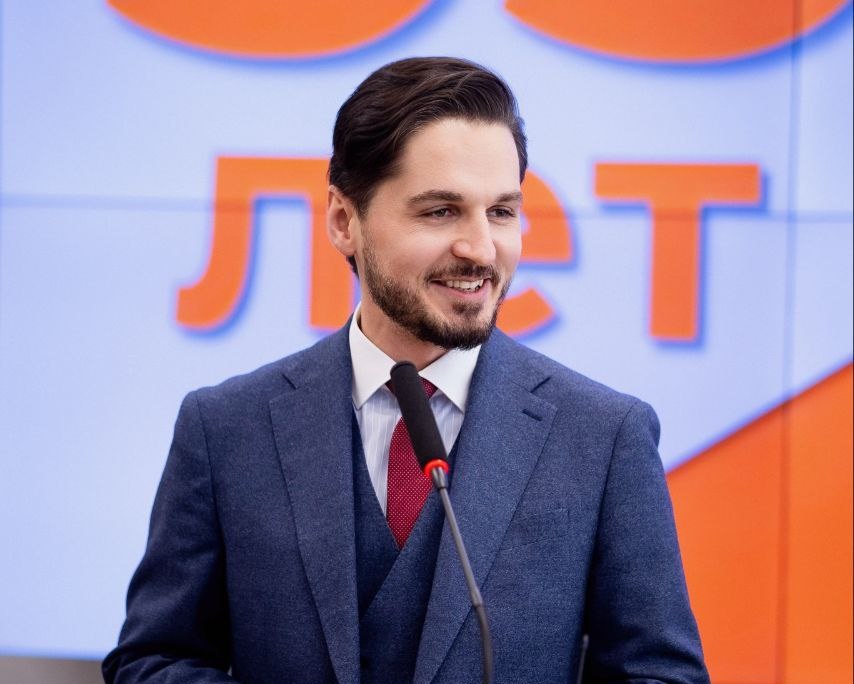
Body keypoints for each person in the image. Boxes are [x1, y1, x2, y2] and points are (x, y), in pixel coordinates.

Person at [103, 57, 709, 683]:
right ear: (344, 221)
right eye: (441, 211)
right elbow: (155, 661)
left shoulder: (603, 437)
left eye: (502, 212)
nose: (480, 249)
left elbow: (661, 675)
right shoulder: (227, 428)